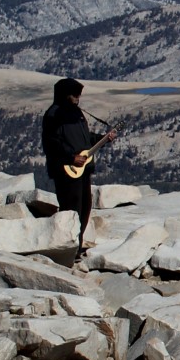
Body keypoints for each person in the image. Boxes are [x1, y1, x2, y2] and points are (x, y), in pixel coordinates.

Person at [41, 77, 114, 247]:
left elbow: (84, 140)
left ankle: (77, 245)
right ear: (64, 94)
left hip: (83, 169)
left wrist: (103, 139)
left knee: (85, 208)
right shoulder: (54, 114)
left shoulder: (77, 113)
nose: (77, 98)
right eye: (74, 95)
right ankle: (68, 246)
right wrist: (71, 157)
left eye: (78, 95)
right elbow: (51, 143)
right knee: (71, 208)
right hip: (66, 170)